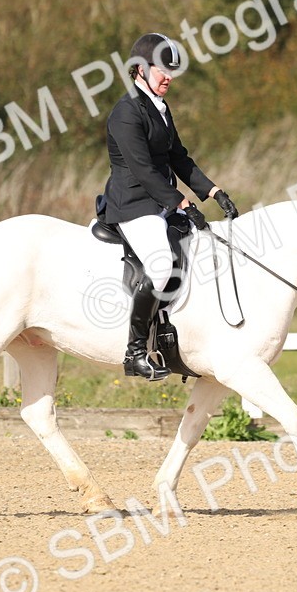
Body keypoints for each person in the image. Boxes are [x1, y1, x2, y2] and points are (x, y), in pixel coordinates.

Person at [101, 33, 239, 381]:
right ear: (140, 70)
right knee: (161, 267)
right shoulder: (126, 112)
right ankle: (134, 352)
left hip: (160, 202)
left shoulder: (159, 107)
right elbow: (143, 169)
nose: (169, 78)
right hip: (133, 205)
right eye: (162, 70)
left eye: (171, 72)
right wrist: (180, 202)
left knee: (205, 251)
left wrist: (212, 191)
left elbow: (178, 156)